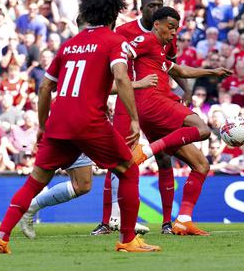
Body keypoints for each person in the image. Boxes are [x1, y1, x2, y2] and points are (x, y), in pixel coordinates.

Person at [0, 0, 160, 254]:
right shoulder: (113, 41)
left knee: (35, 181)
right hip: (89, 121)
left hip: (59, 121)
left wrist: (43, 126)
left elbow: (45, 87)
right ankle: (128, 240)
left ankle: (1, 237)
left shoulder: (69, 44)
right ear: (113, 13)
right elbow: (121, 78)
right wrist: (135, 121)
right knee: (128, 168)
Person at [18, 13, 155, 240]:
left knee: (82, 185)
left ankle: (29, 209)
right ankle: (121, 225)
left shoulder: (75, 48)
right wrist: (138, 84)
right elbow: (75, 88)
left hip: (79, 120)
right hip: (74, 123)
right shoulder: (79, 49)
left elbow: (88, 88)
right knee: (123, 165)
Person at [93, 0, 190, 237]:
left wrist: (186, 89)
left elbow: (171, 65)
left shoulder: (168, 32)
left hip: (157, 100)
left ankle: (167, 222)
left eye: (159, 4)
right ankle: (107, 221)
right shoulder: (124, 32)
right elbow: (110, 63)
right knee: (119, 155)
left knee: (165, 158)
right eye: (151, 5)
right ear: (141, 7)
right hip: (130, 100)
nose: (155, 8)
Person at [128, 7, 232, 236]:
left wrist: (212, 72)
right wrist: (134, 82)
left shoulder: (161, 50)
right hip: (154, 101)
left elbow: (180, 71)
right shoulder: (144, 41)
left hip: (154, 109)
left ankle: (183, 220)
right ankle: (147, 150)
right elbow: (118, 57)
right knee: (202, 128)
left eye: (177, 28)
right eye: (170, 27)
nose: (174, 32)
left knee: (201, 165)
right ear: (157, 24)